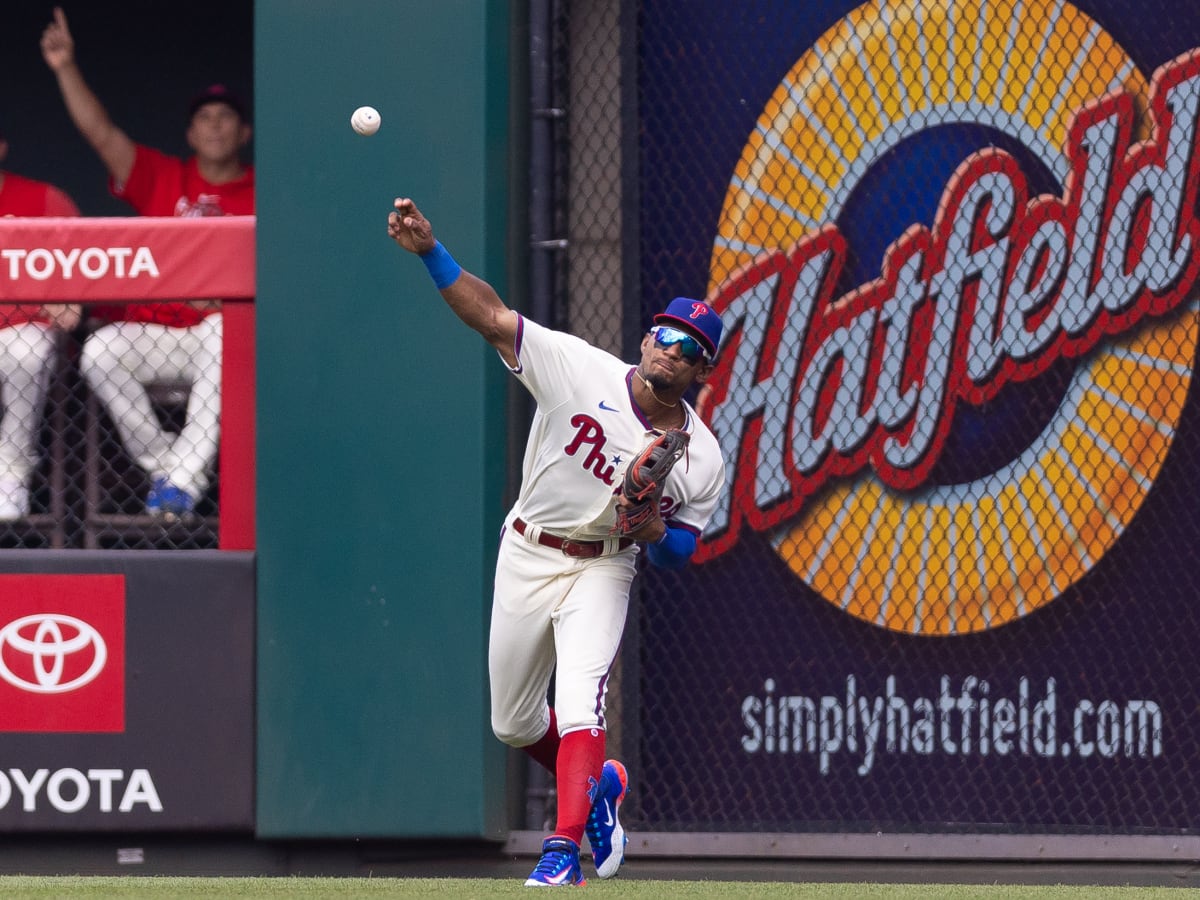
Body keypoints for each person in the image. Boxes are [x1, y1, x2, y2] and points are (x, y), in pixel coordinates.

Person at [387, 197, 726, 887]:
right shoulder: (578, 368)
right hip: (529, 547)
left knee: (579, 698)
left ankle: (562, 848)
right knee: (513, 721)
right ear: (643, 341)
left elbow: (678, 552)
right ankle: (600, 788)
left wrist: (649, 524)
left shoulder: (703, 456)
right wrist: (430, 251)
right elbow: (489, 316)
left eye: (689, 348)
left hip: (604, 565)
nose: (671, 348)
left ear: (702, 373)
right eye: (664, 334)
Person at [41, 6, 254, 517]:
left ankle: (181, 481)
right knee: (99, 352)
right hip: (157, 337)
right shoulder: (162, 176)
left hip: (219, 341)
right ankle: (170, 469)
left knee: (227, 330)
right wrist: (65, 66)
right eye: (204, 117)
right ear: (190, 133)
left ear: (244, 133)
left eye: (226, 117)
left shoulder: (260, 193)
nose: (215, 126)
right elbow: (101, 134)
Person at [0, 129, 82, 520]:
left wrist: (69, 296)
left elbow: (81, 274)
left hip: (25, 331)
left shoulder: (45, 199)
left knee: (24, 352)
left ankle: (10, 475)